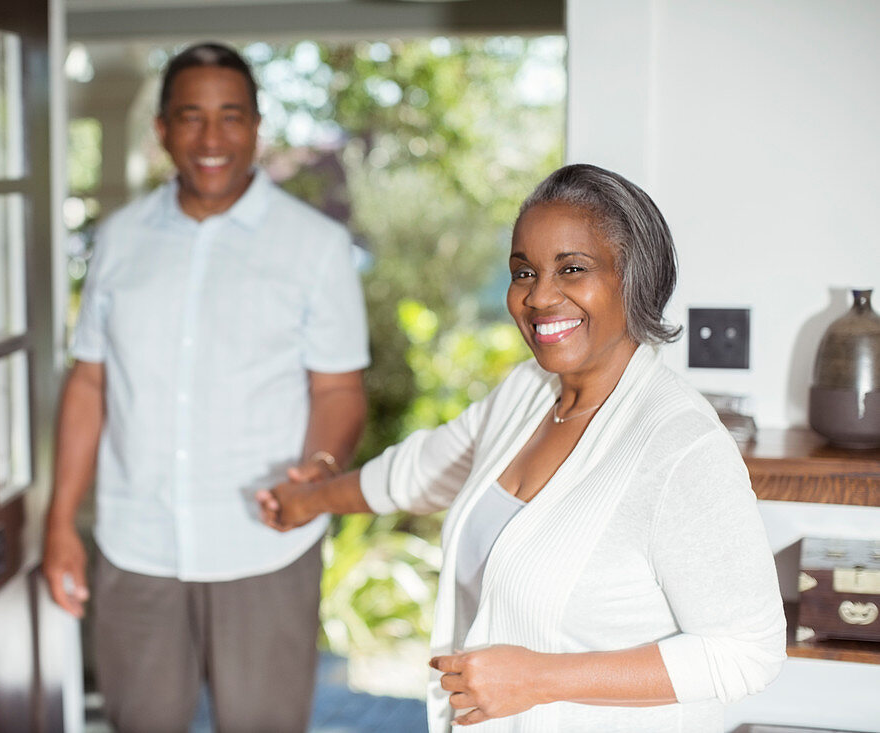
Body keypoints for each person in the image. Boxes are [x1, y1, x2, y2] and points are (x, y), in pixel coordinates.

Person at [258, 163, 786, 732]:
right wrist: (306, 500)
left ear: (635, 279)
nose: (539, 297)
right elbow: (420, 469)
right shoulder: (528, 393)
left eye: (573, 268)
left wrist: (542, 678)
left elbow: (746, 653)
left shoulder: (680, 445)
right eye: (524, 272)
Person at [43, 42, 370, 733]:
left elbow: (339, 389)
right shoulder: (120, 239)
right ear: (161, 129)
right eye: (190, 117)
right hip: (136, 547)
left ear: (256, 126)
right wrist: (60, 520)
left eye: (230, 116)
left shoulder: (313, 245)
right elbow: (91, 383)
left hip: (265, 546)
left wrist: (318, 471)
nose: (211, 138)